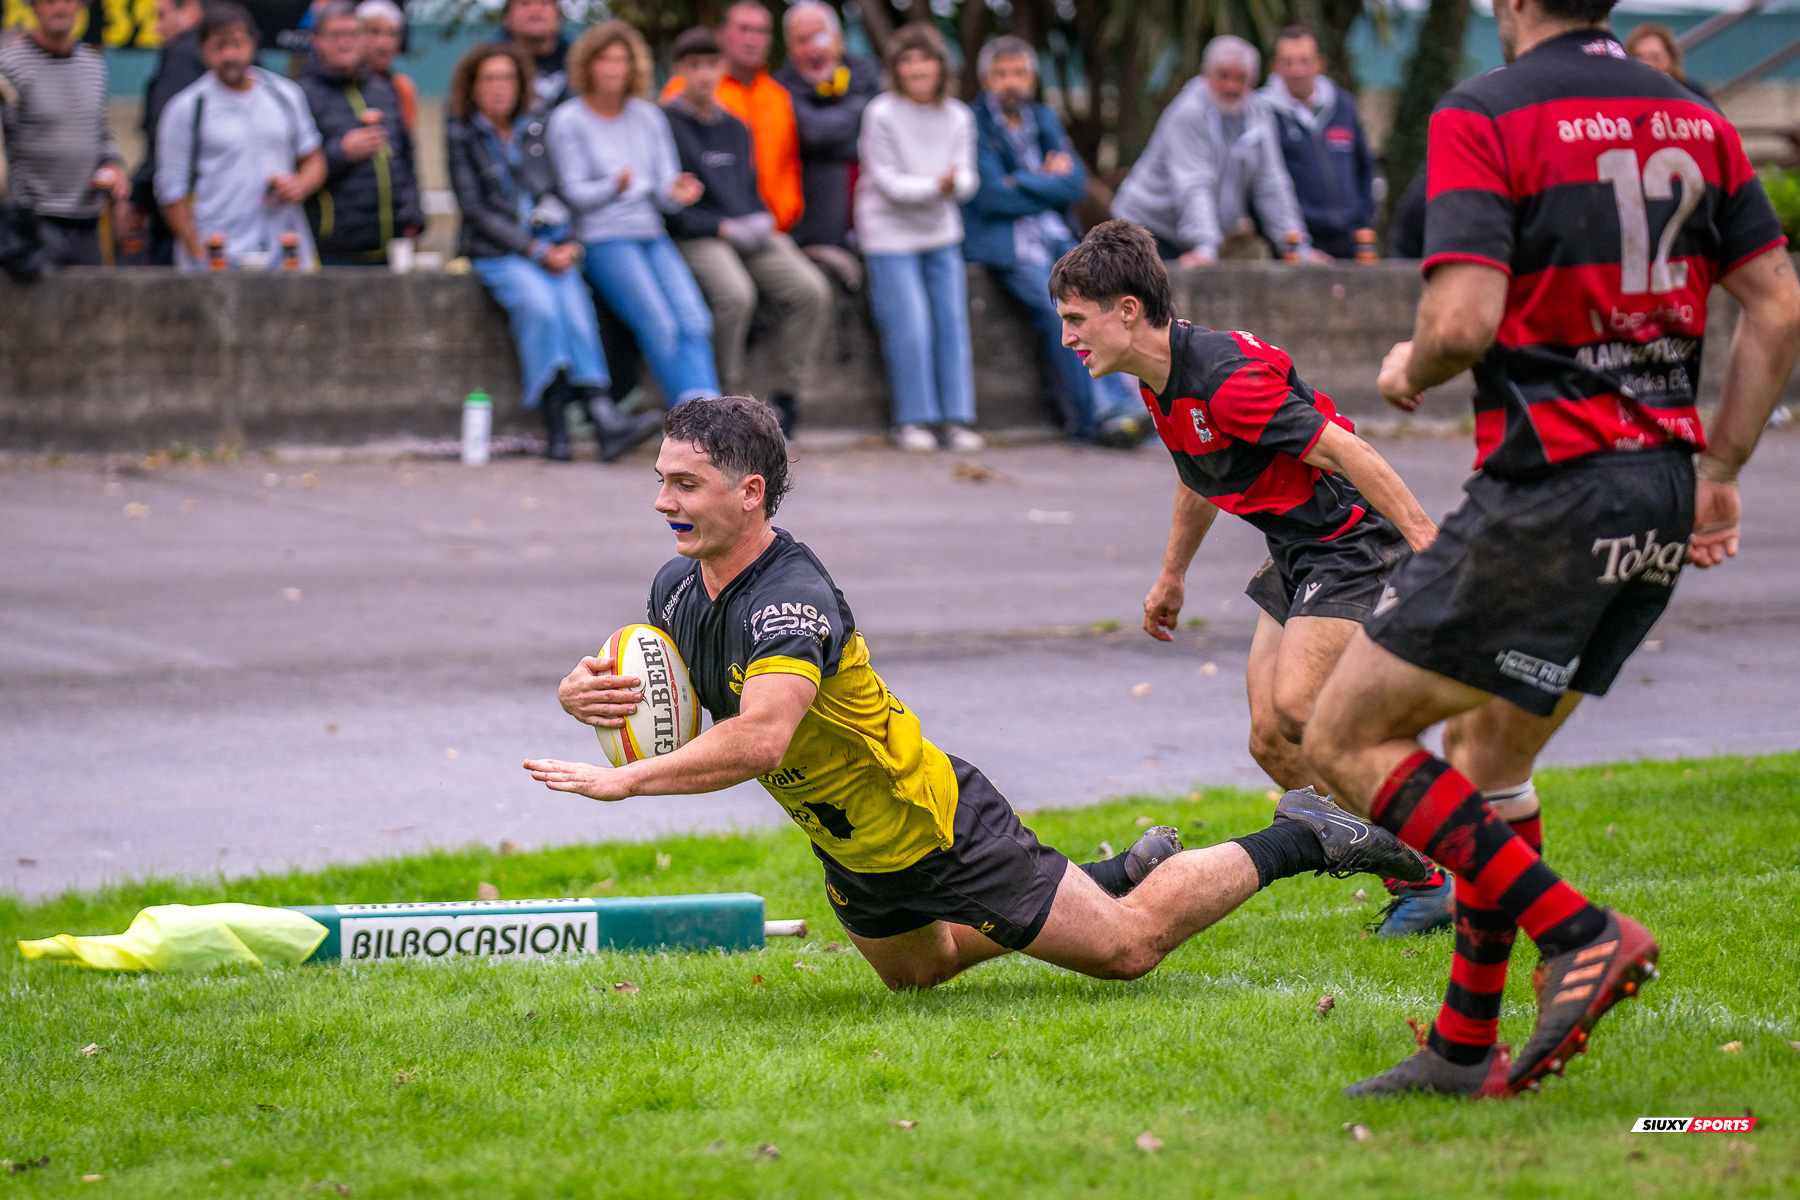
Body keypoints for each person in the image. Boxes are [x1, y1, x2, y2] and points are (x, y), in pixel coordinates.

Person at [1301, 0, 1800, 1099]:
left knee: (1338, 733)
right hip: (1659, 493)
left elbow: (1465, 320)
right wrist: (1720, 469)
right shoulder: (1692, 115)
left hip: (1552, 491)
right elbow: (1777, 305)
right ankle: (1462, 1047)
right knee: (1489, 760)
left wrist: (1407, 370)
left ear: (1509, 6)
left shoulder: (1486, 112)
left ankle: (1576, 931)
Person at [524, 395, 1431, 991]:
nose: (663, 502)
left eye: (685, 484)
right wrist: (587, 695)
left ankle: (1306, 835)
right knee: (922, 972)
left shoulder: (791, 601)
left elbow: (761, 736)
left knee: (1126, 951)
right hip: (852, 845)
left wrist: (628, 781)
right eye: (661, 483)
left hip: (933, 823)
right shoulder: (678, 588)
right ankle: (1122, 869)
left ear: (750, 492)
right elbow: (664, 687)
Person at [1049, 219, 1452, 935]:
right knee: (1271, 741)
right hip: (1296, 545)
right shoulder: (1160, 374)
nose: (1068, 339)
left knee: (1301, 707)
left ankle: (1451, 851)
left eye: (1077, 321)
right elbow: (1200, 473)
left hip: (1348, 539)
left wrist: (1425, 539)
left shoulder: (1227, 382)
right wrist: (1173, 575)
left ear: (1128, 311)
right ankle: (1419, 871)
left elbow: (1346, 451)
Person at [445, 41, 663, 463]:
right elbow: (474, 209)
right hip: (498, 251)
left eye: (507, 78)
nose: (499, 88)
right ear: (472, 87)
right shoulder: (462, 133)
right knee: (541, 306)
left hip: (547, 245)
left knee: (575, 304)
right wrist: (533, 248)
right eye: (489, 79)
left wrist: (563, 242)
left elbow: (555, 190)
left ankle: (603, 420)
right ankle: (556, 428)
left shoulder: (534, 129)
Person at [963, 36, 1148, 449]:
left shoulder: (1043, 117)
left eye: (1019, 72)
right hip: (1009, 246)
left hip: (1057, 238)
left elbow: (1074, 184)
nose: (1011, 82)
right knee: (1062, 317)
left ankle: (1127, 406)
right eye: (1001, 73)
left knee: (1106, 304)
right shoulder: (974, 123)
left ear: (1032, 77)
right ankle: (1094, 417)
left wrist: (1025, 182)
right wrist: (1045, 180)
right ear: (985, 79)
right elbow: (991, 195)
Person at [663, 27, 831, 437]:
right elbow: (670, 206)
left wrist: (759, 219)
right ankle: (723, 405)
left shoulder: (736, 127)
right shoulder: (664, 121)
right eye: (694, 66)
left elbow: (748, 189)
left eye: (711, 65)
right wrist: (719, 225)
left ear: (722, 67)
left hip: (745, 227)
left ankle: (788, 396)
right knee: (735, 295)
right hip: (697, 232)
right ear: (679, 70)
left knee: (812, 290)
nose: (704, 75)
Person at [547, 21, 719, 407]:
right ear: (588, 65)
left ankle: (713, 418)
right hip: (603, 237)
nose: (612, 69)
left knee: (695, 320)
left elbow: (662, 191)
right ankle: (693, 427)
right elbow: (574, 194)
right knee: (660, 325)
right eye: (604, 60)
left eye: (621, 61)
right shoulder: (568, 120)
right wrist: (615, 187)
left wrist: (677, 192)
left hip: (650, 231)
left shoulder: (648, 117)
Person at [856, 24, 981, 453]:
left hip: (941, 232)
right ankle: (913, 420)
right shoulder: (881, 112)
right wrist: (938, 187)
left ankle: (956, 419)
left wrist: (953, 185)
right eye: (906, 60)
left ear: (940, 65)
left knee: (951, 324)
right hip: (889, 234)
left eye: (924, 58)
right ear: (895, 68)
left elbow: (967, 176)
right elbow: (886, 181)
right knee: (910, 326)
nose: (916, 67)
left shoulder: (959, 115)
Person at [1112, 35, 1322, 265]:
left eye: (1240, 78)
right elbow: (1193, 184)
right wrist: (1206, 246)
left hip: (1191, 239)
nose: (1232, 86)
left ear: (1252, 80)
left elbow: (1271, 185)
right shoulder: (1188, 112)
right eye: (1223, 76)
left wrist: (1297, 247)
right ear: (1205, 74)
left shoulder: (1259, 115)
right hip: (1145, 231)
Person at [155, 3, 325, 270]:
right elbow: (171, 191)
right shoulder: (186, 108)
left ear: (254, 43)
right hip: (219, 254)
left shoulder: (285, 95)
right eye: (219, 46)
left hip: (283, 251)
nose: (230, 55)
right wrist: (198, 253)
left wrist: (299, 185)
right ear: (203, 50)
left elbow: (314, 159)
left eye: (237, 44)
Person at [0, 0, 128, 267]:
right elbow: (5, 148)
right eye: (49, 0)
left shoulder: (93, 64)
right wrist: (20, 214)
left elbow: (100, 132)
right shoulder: (10, 66)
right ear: (33, 7)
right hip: (34, 223)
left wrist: (113, 164)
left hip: (88, 221)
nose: (60, 7)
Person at [660, 1, 805, 235]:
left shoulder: (778, 96)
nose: (752, 39)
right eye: (743, 29)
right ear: (721, 34)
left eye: (761, 31)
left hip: (770, 225)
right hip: (716, 226)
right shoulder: (685, 90)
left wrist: (784, 214)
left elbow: (789, 163)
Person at [299, 0, 423, 266]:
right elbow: (295, 172)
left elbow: (406, 160)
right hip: (334, 250)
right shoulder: (300, 95)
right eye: (336, 35)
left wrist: (415, 215)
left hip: (392, 247)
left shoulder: (386, 90)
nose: (345, 42)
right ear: (317, 40)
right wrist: (341, 153)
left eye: (353, 34)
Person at [1259, 25, 1376, 260]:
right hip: (1296, 244)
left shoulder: (1342, 105)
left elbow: (1365, 168)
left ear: (1320, 63)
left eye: (1304, 61)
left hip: (1349, 240)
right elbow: (1263, 183)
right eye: (1288, 62)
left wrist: (1364, 222)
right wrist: (1294, 244)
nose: (1297, 71)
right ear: (1275, 66)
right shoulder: (1262, 111)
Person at [774, 0, 880, 252]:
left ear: (838, 38)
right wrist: (857, 114)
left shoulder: (866, 70)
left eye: (819, 37)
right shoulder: (780, 86)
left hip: (875, 206)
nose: (813, 50)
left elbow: (879, 126)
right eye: (802, 41)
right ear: (789, 48)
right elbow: (814, 132)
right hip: (818, 211)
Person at [130, 0, 207, 265]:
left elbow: (160, 134)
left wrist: (138, 196)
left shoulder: (183, 54)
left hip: (183, 214)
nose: (157, 27)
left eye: (162, 16)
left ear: (189, 9)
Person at [501, 0, 572, 113]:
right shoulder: (482, 65)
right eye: (525, 3)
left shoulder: (586, 63)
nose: (535, 9)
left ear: (559, 15)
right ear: (507, 16)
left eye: (545, 3)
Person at [358, 0, 416, 133]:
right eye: (374, 32)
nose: (384, 42)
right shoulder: (338, 83)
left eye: (392, 34)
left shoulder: (403, 87)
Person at [1624, 22, 1712, 105]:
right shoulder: (1624, 92)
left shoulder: (1691, 92)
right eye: (1639, 56)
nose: (1647, 64)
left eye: (1654, 57)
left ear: (1670, 58)